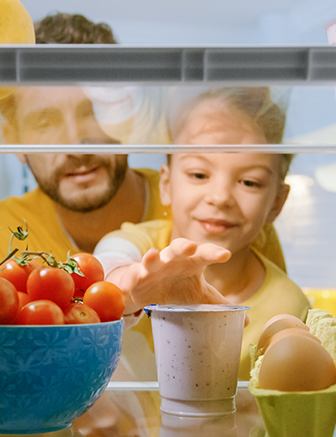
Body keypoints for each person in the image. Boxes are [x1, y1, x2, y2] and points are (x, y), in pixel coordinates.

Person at [0, 12, 286, 280]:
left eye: (93, 112)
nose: (76, 146)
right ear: (14, 140)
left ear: (127, 118)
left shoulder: (216, 219)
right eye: (44, 122)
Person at [94, 86, 312, 381]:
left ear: (276, 203)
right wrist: (131, 289)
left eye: (249, 182)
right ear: (167, 185)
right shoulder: (140, 244)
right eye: (199, 175)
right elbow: (109, 265)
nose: (220, 197)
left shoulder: (288, 304)